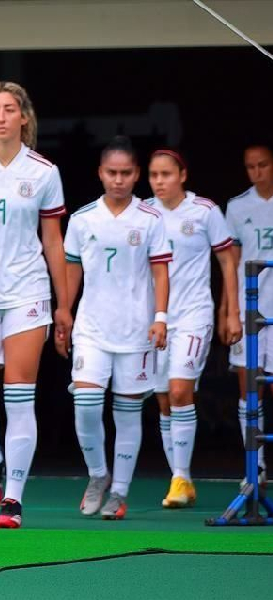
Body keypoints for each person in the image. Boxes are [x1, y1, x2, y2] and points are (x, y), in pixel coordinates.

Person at [0, 82, 71, 528]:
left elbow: (53, 240)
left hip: (27, 292)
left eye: (11, 109)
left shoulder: (44, 171)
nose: (3, 116)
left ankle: (13, 499)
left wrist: (64, 304)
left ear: (23, 117)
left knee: (20, 395)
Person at [62, 136, 170, 520]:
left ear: (136, 174)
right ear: (100, 173)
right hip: (91, 328)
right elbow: (71, 269)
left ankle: (119, 492)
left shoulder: (150, 219)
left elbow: (160, 270)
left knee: (127, 414)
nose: (119, 180)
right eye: (112, 172)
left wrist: (160, 318)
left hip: (136, 331)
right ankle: (98, 475)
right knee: (86, 406)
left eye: (126, 173)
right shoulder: (82, 219)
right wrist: (64, 310)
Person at [146, 149, 240, 508]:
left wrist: (229, 310)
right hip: (155, 319)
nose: (159, 181)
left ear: (182, 175)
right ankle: (179, 480)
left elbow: (227, 260)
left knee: (181, 390)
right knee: (164, 400)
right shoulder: (143, 212)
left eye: (166, 174)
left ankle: (181, 475)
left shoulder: (204, 210)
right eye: (154, 175)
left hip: (193, 316)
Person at [221, 143, 273, 483]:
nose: (257, 172)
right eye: (251, 166)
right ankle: (256, 464)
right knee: (249, 387)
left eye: (263, 165)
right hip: (251, 307)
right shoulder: (238, 207)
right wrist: (229, 309)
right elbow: (231, 262)